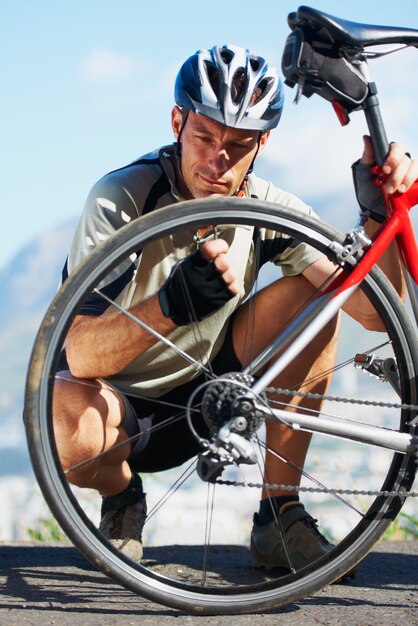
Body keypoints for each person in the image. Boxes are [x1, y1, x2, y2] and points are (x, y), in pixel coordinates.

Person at [53, 44, 418, 570]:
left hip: (212, 396)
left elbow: (369, 311)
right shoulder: (122, 199)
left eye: (239, 145)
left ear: (263, 141)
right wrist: (171, 305)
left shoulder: (268, 208)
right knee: (67, 419)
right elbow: (80, 354)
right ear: (177, 121)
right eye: (204, 137)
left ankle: (279, 515)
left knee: (318, 293)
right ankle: (123, 498)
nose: (218, 160)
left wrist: (377, 218)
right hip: (119, 407)